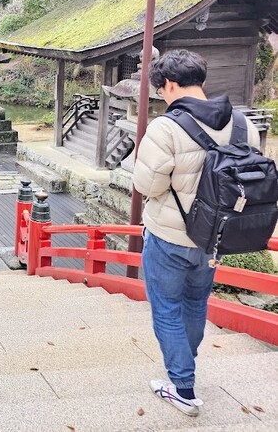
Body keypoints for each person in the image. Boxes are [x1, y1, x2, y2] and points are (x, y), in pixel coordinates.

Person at [133, 50, 259, 417]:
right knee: (194, 304)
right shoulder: (242, 124)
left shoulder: (166, 127)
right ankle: (183, 374)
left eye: (161, 89)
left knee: (167, 308)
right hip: (216, 238)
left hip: (170, 238)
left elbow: (148, 185)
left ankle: (182, 387)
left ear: (170, 84)